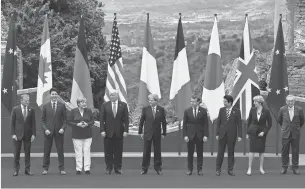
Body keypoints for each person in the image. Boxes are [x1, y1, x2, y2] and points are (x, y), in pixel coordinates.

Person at [100, 90, 129, 175]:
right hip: (107, 132)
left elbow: (126, 119)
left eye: (112, 95)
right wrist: (102, 130)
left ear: (117, 96)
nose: (111, 97)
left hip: (119, 132)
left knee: (118, 151)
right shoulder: (105, 105)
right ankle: (108, 168)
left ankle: (118, 168)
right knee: (108, 151)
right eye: (110, 95)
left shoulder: (123, 105)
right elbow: (101, 119)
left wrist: (126, 130)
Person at [138, 94, 167, 175]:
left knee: (157, 151)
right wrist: (140, 132)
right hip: (147, 133)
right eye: (149, 100)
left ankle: (158, 168)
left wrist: (164, 132)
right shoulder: (145, 109)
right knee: (146, 151)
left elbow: (164, 122)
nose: (150, 101)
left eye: (151, 100)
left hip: (157, 134)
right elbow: (141, 121)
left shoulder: (161, 109)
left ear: (156, 101)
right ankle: (144, 168)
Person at [41, 88, 67, 175]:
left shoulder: (62, 105)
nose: (54, 96)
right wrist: (45, 129)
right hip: (48, 132)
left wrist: (63, 128)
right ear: (50, 95)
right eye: (52, 94)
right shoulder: (45, 106)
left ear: (57, 95)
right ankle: (45, 168)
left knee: (60, 150)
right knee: (47, 151)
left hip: (59, 132)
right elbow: (42, 120)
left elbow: (65, 120)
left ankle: (62, 168)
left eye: (56, 94)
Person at [216, 95, 242, 176]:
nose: (224, 103)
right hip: (222, 134)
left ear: (230, 102)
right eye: (223, 101)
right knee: (220, 152)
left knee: (231, 152)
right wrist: (217, 133)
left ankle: (230, 170)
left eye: (225, 102)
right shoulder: (221, 110)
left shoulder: (237, 111)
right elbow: (218, 123)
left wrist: (240, 135)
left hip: (232, 135)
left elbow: (239, 124)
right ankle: (218, 169)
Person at [183, 95, 209, 176]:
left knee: (200, 153)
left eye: (193, 101)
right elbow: (184, 124)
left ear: (198, 102)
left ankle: (199, 169)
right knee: (190, 153)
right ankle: (189, 169)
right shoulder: (187, 111)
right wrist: (185, 135)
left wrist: (205, 135)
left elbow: (206, 124)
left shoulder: (203, 111)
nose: (192, 103)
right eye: (191, 101)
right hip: (190, 135)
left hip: (200, 135)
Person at [278, 95, 304, 175]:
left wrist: (295, 128)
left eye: (292, 101)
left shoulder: (299, 109)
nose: (290, 102)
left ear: (294, 101)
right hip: (285, 133)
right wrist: (286, 128)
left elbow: (302, 121)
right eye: (288, 101)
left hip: (295, 134)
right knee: (284, 151)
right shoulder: (282, 109)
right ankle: (284, 167)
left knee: (295, 151)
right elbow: (280, 120)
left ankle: (295, 167)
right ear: (286, 101)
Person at [68, 97, 94, 175]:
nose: (84, 104)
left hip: (87, 135)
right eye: (83, 102)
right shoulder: (73, 111)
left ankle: (87, 168)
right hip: (76, 135)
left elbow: (92, 121)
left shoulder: (88, 111)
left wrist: (87, 124)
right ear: (78, 103)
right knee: (78, 152)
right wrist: (77, 124)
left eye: (85, 102)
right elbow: (69, 121)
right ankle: (78, 168)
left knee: (87, 151)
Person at [246, 95, 272, 176]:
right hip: (253, 132)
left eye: (255, 102)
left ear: (260, 102)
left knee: (261, 151)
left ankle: (261, 168)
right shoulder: (252, 109)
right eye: (254, 101)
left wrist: (264, 132)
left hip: (262, 133)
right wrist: (248, 132)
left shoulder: (266, 111)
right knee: (252, 150)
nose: (254, 103)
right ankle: (249, 168)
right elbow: (249, 121)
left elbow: (270, 124)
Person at [11, 94, 36, 176]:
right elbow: (12, 123)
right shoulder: (15, 109)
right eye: (26, 100)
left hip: (28, 135)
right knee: (17, 153)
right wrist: (13, 134)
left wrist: (33, 134)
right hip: (17, 135)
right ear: (21, 100)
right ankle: (16, 170)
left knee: (27, 153)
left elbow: (33, 123)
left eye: (28, 100)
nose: (27, 102)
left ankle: (27, 170)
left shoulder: (31, 109)